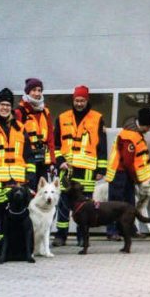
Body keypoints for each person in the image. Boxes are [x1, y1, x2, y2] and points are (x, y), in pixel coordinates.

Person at [0, 88, 34, 258]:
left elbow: (28, 154)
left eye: (8, 105)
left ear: (12, 107)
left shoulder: (20, 128)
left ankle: (8, 248)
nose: (4, 108)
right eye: (2, 105)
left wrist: (30, 176)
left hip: (16, 181)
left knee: (10, 217)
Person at [53, 85, 108, 246]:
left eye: (82, 100)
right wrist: (59, 161)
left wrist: (101, 169)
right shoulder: (62, 118)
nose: (79, 103)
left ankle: (81, 236)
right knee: (63, 203)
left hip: (87, 170)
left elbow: (102, 146)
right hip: (67, 169)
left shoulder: (97, 118)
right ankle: (60, 236)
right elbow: (55, 144)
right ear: (73, 99)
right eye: (77, 100)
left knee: (85, 205)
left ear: (87, 100)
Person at [105, 108, 150, 218]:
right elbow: (127, 162)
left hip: (125, 173)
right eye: (149, 126)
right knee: (116, 204)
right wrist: (136, 178)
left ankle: (129, 230)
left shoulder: (134, 134)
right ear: (142, 124)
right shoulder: (130, 136)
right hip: (120, 174)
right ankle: (113, 232)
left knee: (129, 203)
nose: (149, 129)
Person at [13, 78, 56, 188]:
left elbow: (50, 137)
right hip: (28, 160)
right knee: (29, 191)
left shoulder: (45, 111)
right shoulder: (19, 112)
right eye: (34, 90)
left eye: (39, 90)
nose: (37, 93)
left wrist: (52, 161)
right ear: (27, 92)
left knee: (43, 193)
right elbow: (16, 138)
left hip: (43, 161)